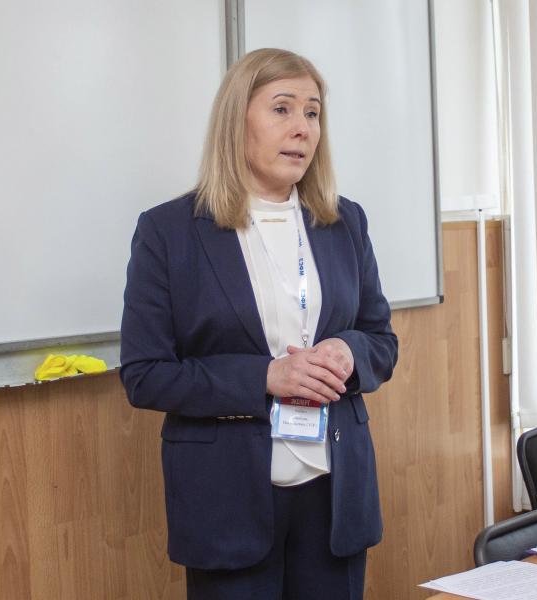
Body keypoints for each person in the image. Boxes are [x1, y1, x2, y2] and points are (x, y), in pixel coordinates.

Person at [120, 48, 398, 600]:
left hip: (335, 493)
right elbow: (145, 374)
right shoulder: (169, 231)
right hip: (228, 499)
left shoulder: (345, 221)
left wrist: (349, 351)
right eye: (282, 109)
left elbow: (381, 341)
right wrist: (265, 377)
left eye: (313, 113)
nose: (302, 128)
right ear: (236, 121)